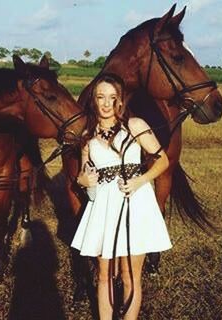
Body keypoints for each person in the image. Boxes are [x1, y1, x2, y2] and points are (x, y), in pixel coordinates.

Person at [71, 73, 172, 320]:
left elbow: (163, 160)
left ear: (120, 100)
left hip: (134, 204)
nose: (106, 104)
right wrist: (82, 181)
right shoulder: (87, 135)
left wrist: (140, 180)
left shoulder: (135, 125)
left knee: (129, 275)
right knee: (103, 274)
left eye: (112, 98)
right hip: (103, 208)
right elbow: (84, 176)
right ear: (94, 100)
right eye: (100, 97)